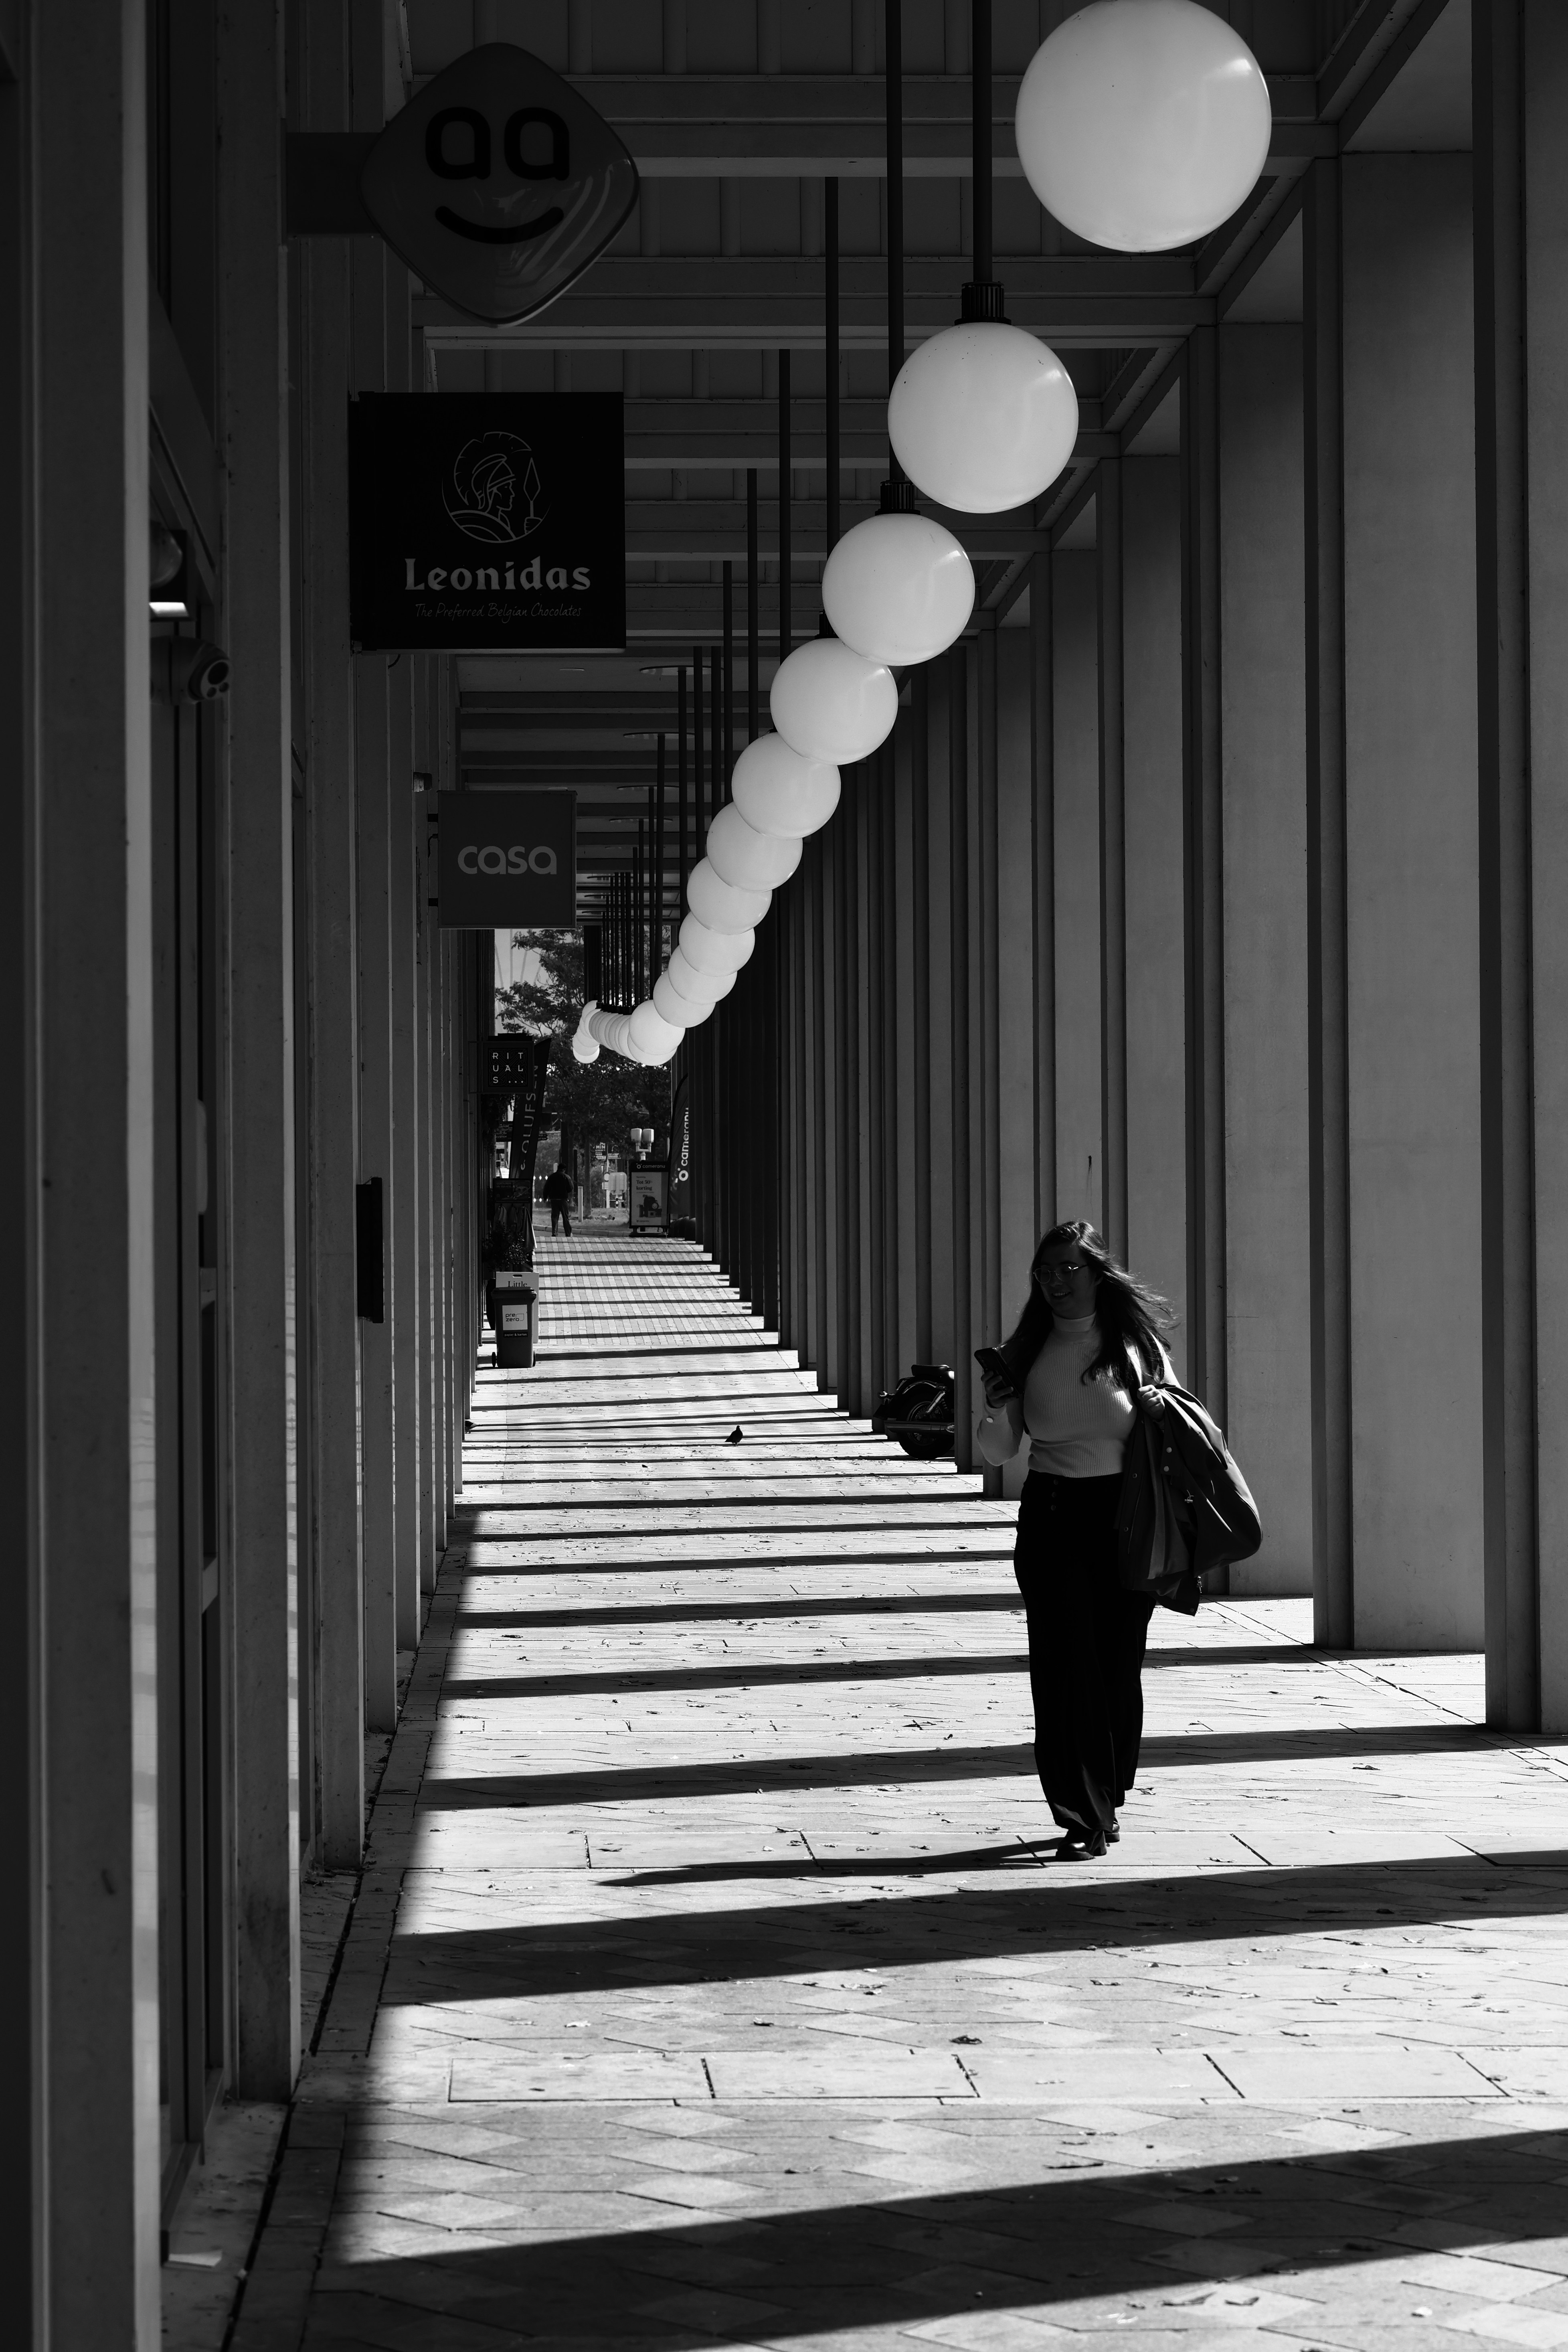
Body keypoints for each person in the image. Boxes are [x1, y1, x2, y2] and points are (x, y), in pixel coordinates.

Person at [977, 1219, 1174, 1860]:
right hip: (1052, 1514)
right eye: (1045, 1271)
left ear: (1096, 1273)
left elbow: (1177, 1426)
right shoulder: (1027, 1349)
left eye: (1068, 1268)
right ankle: (1080, 1810)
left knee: (1116, 1663)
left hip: (1125, 1518)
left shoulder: (1132, 1343)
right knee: (1064, 1666)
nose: (1057, 1281)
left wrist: (1155, 1409)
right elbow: (999, 1449)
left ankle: (1107, 1793)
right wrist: (993, 1407)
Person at [543, 1161, 574, 1237]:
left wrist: (545, 1197)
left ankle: (554, 1233)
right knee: (565, 1217)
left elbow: (546, 1188)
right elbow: (570, 1188)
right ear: (564, 1169)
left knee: (555, 1217)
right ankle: (568, 1233)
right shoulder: (566, 1177)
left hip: (554, 1199)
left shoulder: (551, 1177)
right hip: (563, 1200)